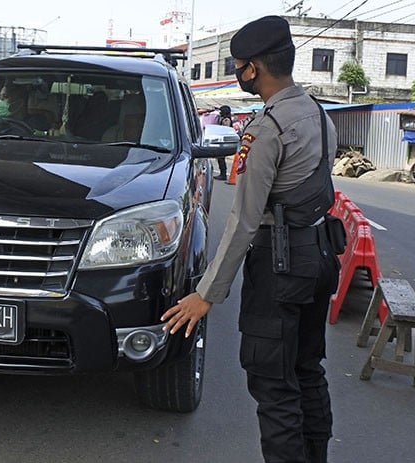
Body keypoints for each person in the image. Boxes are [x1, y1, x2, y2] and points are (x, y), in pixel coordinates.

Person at [161, 16, 340, 463]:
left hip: (279, 266)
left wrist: (206, 294)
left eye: (239, 66)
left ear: (253, 69)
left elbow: (243, 221)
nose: (239, 73)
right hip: (319, 254)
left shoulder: (266, 129)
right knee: (307, 369)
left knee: (273, 383)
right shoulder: (319, 113)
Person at [214, 105, 234, 180]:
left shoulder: (226, 120)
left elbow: (225, 130)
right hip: (222, 140)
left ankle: (223, 174)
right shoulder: (223, 118)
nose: (220, 112)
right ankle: (222, 173)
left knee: (221, 157)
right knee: (220, 157)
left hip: (224, 141)